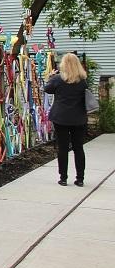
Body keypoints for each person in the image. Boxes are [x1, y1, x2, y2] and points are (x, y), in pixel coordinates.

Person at [44, 53, 89, 187]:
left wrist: (51, 76)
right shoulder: (82, 81)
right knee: (78, 148)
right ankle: (80, 178)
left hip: (61, 118)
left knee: (62, 148)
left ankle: (63, 177)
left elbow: (47, 89)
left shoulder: (57, 79)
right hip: (78, 118)